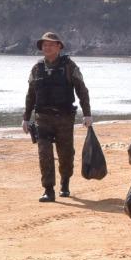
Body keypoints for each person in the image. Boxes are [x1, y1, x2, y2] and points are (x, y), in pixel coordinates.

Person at [21, 32, 92, 203]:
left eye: (51, 44)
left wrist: (87, 114)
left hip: (64, 117)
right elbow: (31, 94)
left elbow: (82, 91)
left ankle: (65, 183)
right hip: (42, 118)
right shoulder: (36, 68)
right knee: (44, 153)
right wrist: (26, 118)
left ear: (59, 46)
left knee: (66, 154)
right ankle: (48, 189)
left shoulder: (70, 67)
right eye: (44, 45)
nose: (47, 47)